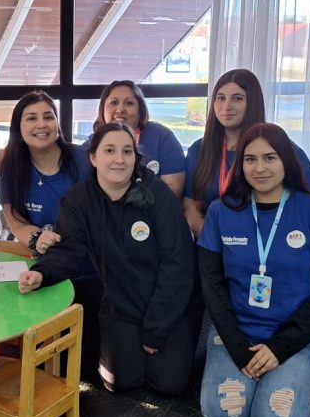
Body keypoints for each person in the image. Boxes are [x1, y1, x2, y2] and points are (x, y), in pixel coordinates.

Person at [19, 122, 195, 396]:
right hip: (119, 307)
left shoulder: (157, 195)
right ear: (93, 157)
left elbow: (178, 263)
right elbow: (69, 250)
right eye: (110, 150)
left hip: (164, 305)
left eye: (127, 151)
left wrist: (156, 329)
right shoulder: (79, 200)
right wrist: (41, 273)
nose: (119, 159)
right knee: (120, 382)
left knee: (169, 384)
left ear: (136, 158)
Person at [197, 123, 310, 417]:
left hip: (297, 338)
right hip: (236, 334)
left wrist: (280, 347)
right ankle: (258, 383)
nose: (260, 168)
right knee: (224, 416)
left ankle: (284, 382)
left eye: (270, 157)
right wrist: (237, 346)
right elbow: (212, 285)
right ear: (241, 165)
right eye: (250, 159)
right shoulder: (222, 212)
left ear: (286, 161)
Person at [184, 69, 310, 238]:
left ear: (253, 103)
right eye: (220, 98)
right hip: (212, 244)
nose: (226, 106)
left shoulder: (281, 147)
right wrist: (216, 242)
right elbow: (190, 205)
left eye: (237, 98)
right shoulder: (199, 150)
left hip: (269, 245)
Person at [0, 90, 84, 256]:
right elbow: (17, 223)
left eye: (48, 117)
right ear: (19, 129)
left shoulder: (85, 160)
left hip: (89, 259)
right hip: (46, 259)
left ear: (57, 125)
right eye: (31, 118)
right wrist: (38, 239)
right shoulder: (9, 168)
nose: (42, 124)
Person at [85, 79, 186, 198]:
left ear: (140, 110)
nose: (120, 109)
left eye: (129, 103)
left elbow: (173, 190)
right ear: (103, 109)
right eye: (113, 103)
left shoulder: (162, 137)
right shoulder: (91, 145)